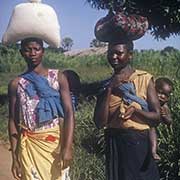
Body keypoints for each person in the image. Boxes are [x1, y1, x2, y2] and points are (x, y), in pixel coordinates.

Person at [8, 37, 74, 180]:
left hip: (54, 146)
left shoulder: (58, 77)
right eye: (27, 50)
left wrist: (67, 147)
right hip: (30, 146)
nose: (32, 53)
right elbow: (13, 121)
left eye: (36, 49)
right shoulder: (16, 84)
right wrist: (15, 157)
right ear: (21, 53)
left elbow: (69, 113)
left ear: (43, 51)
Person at [93, 40, 161, 180]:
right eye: (111, 53)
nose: (114, 57)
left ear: (130, 55)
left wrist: (136, 112)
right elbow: (100, 123)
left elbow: (156, 117)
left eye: (119, 53)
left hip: (138, 144)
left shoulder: (144, 79)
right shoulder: (106, 85)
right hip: (114, 142)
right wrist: (109, 89)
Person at [149, 77, 173, 160]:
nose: (162, 96)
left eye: (166, 95)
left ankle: (153, 151)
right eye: (160, 92)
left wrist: (165, 116)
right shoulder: (149, 98)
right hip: (142, 123)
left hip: (152, 125)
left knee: (152, 129)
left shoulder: (164, 106)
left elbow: (169, 121)